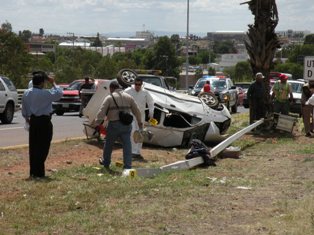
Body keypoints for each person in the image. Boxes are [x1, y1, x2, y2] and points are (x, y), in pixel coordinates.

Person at [92, 81, 143, 172]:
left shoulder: (109, 98)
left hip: (114, 125)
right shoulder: (129, 97)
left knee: (109, 145)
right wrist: (140, 122)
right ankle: (127, 166)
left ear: (111, 88)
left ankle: (106, 163)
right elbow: (137, 111)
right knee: (127, 145)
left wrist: (97, 123)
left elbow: (102, 112)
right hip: (127, 125)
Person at [21, 71, 63, 179]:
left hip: (33, 121)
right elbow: (59, 93)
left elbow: (24, 110)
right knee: (43, 146)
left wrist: (27, 119)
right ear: (42, 83)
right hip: (44, 121)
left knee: (34, 147)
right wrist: (53, 82)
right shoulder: (45, 93)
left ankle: (33, 172)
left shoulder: (27, 93)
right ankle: (39, 172)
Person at [125, 78, 154, 161]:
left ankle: (137, 152)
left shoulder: (145, 92)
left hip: (141, 115)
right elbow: (121, 97)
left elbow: (151, 102)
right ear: (134, 84)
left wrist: (151, 113)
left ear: (141, 85)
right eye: (136, 84)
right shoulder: (128, 91)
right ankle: (132, 152)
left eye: (139, 85)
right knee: (133, 132)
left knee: (140, 133)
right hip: (131, 115)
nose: (137, 86)